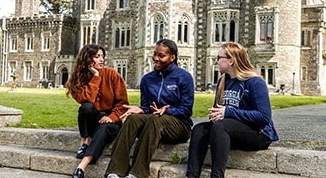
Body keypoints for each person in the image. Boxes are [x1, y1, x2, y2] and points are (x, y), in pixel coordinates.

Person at [185, 42, 279, 178]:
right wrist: (216, 115)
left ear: (231, 61)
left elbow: (264, 117)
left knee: (221, 126)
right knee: (199, 129)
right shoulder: (223, 81)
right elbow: (220, 111)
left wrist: (228, 112)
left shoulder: (254, 82)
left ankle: (217, 175)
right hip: (231, 131)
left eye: (219, 58)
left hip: (259, 134)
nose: (216, 61)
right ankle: (191, 175)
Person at [104, 38, 195, 178]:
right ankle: (115, 170)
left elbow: (186, 110)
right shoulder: (147, 79)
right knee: (132, 119)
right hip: (153, 123)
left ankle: (137, 173)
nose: (156, 58)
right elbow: (147, 107)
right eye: (155, 54)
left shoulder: (184, 77)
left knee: (155, 119)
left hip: (179, 126)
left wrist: (168, 110)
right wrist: (141, 109)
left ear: (173, 57)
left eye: (161, 55)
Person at [65, 44, 129, 178]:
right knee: (86, 107)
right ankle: (84, 142)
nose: (101, 60)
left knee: (105, 127)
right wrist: (96, 77)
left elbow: (123, 104)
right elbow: (86, 99)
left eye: (102, 57)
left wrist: (111, 117)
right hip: (93, 120)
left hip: (111, 120)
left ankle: (82, 166)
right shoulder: (77, 79)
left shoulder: (112, 74)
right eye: (97, 56)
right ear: (87, 59)